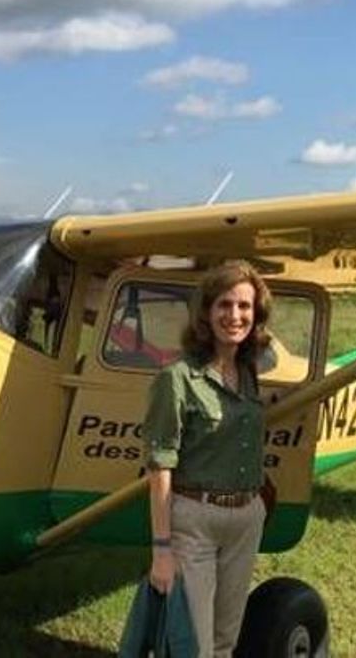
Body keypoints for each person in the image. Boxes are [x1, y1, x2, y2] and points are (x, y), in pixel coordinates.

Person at [142, 261, 272, 658]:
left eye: (245, 307)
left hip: (245, 518)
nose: (235, 316)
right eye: (224, 305)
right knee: (192, 644)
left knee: (224, 641)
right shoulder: (176, 378)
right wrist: (161, 550)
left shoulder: (249, 371)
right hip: (194, 521)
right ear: (206, 312)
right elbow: (160, 466)